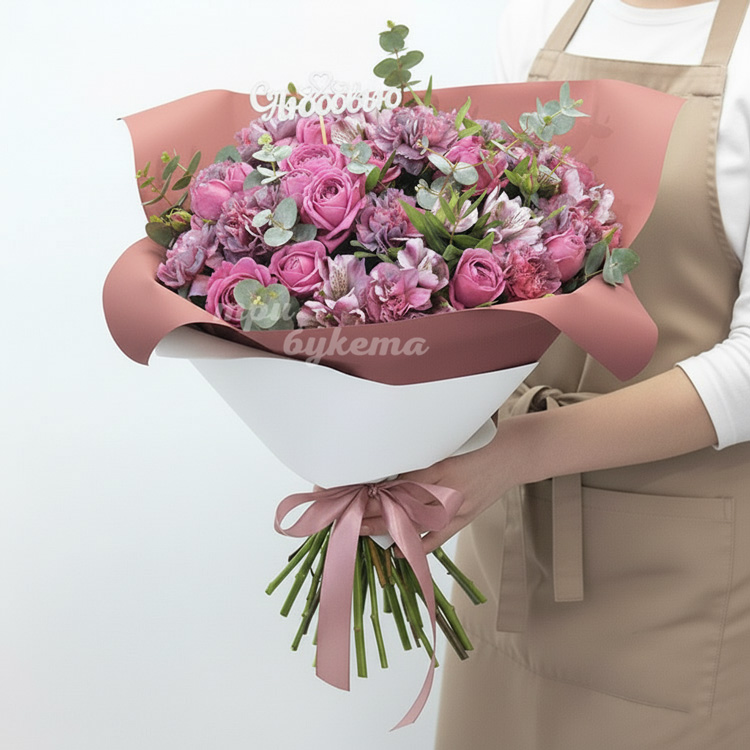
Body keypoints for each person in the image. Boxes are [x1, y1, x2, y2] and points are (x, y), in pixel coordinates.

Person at [360, 1, 750, 747]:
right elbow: (483, 256)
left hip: (682, 575)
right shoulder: (537, 17)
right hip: (508, 537)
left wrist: (517, 453)